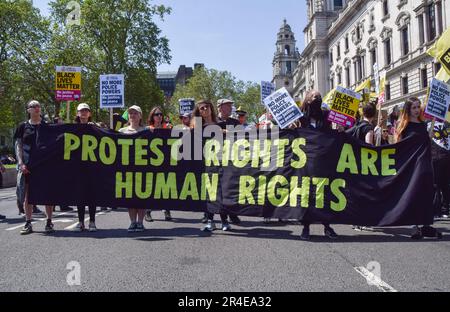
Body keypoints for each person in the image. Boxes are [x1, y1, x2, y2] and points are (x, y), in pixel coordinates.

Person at [395, 97, 443, 240]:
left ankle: (426, 224)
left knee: (426, 193)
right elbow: (398, 147)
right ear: (408, 109)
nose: (417, 110)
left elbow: (426, 141)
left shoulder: (423, 124)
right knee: (413, 194)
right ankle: (413, 225)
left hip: (425, 164)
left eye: (418, 107)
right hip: (411, 166)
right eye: (414, 107)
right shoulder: (404, 126)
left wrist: (432, 127)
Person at [297, 90, 339, 241]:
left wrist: (339, 131)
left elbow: (331, 136)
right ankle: (305, 227)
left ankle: (327, 226)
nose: (318, 99)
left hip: (323, 161)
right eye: (315, 97)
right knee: (306, 195)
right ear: (308, 100)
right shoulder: (300, 118)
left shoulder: (327, 117)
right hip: (306, 162)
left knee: (324, 194)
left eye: (319, 97)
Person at [14, 100, 55, 235]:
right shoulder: (22, 126)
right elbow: (18, 145)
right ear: (28, 110)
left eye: (38, 105)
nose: (37, 108)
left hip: (45, 166)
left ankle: (49, 221)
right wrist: (21, 163)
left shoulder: (47, 126)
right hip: (27, 166)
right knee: (28, 195)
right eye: (33, 106)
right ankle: (28, 222)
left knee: (48, 193)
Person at [119, 105, 147, 232]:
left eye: (135, 113)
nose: (132, 115)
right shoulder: (122, 131)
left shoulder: (146, 131)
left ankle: (140, 222)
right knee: (130, 196)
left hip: (142, 168)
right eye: (130, 113)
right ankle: (132, 222)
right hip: (127, 169)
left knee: (142, 196)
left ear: (140, 116)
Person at [73, 103, 98, 232]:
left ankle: (92, 221)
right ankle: (80, 221)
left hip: (92, 168)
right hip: (78, 168)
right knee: (80, 195)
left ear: (89, 114)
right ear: (77, 113)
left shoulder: (95, 128)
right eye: (81, 111)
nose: (83, 113)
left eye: (86, 111)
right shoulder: (72, 128)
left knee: (92, 195)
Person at [216, 99, 241, 225]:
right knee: (220, 189)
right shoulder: (214, 122)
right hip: (217, 160)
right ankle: (222, 216)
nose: (231, 108)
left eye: (231, 106)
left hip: (232, 160)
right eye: (228, 106)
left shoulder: (235, 122)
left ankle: (233, 214)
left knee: (232, 188)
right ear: (220, 108)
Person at [145, 106, 172, 222]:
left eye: (161, 114)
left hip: (165, 162)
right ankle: (148, 211)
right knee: (151, 188)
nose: (159, 116)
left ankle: (167, 210)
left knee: (165, 187)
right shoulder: (147, 129)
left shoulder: (168, 128)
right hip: (151, 163)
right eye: (157, 114)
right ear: (152, 116)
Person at [429, 121, 450, 219]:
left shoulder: (428, 124)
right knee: (444, 185)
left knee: (437, 185)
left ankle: (437, 210)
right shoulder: (446, 124)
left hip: (437, 157)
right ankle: (444, 209)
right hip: (444, 156)